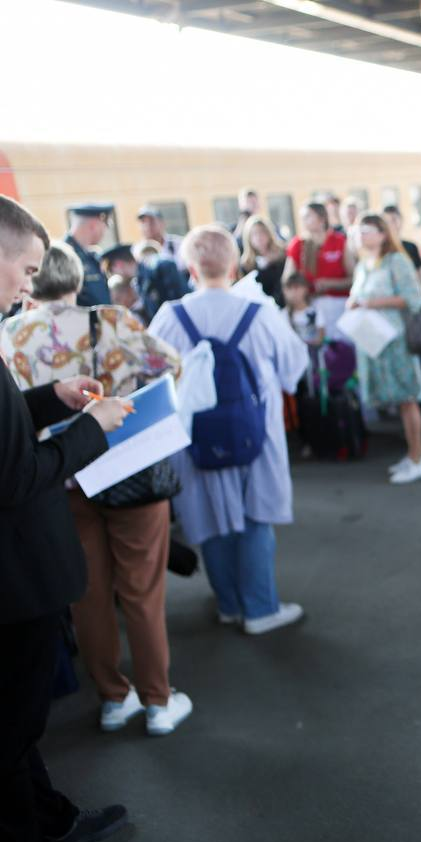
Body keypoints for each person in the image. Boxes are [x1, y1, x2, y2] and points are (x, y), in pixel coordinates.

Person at [0, 242, 192, 737]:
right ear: (76, 278)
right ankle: (157, 700)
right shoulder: (112, 320)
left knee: (87, 594)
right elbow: (172, 366)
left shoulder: (12, 335)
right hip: (129, 473)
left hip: (59, 477)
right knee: (141, 591)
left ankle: (112, 696)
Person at [0, 195, 133, 842]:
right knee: (13, 727)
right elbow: (16, 476)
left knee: (16, 727)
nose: (31, 284)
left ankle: (51, 818)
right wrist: (90, 429)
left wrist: (49, 397)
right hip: (14, 577)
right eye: (24, 269)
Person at [149, 225, 310, 633]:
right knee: (256, 516)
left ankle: (229, 603)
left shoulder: (169, 316)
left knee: (207, 518)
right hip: (256, 432)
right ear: (235, 264)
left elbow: (148, 377)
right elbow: (293, 369)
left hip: (194, 435)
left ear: (190, 268)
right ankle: (261, 609)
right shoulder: (259, 312)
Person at [348, 213, 421, 485]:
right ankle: (413, 454)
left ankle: (418, 456)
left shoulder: (397, 261)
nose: (363, 235)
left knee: (409, 398)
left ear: (383, 233)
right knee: (402, 401)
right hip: (375, 339)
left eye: (368, 230)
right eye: (360, 231)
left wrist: (371, 303)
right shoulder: (364, 264)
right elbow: (358, 294)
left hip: (396, 339)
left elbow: (413, 299)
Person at [283, 202, 353, 340]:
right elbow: (287, 279)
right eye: (302, 217)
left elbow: (353, 278)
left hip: (340, 305)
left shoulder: (340, 241)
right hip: (311, 306)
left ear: (322, 218)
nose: (304, 221)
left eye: (308, 216)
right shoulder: (298, 244)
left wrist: (331, 284)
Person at [100, 243, 188, 321]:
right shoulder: (139, 280)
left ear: (119, 264)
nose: (115, 275)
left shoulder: (158, 267)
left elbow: (179, 301)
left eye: (112, 271)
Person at [64, 202, 112, 307]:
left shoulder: (90, 256)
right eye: (104, 226)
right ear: (93, 226)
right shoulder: (63, 256)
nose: (104, 231)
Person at [239, 215, 288, 307]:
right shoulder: (246, 264)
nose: (259, 237)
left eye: (262, 233)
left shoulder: (282, 256)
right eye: (254, 234)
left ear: (269, 234)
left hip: (282, 305)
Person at [134, 207, 186, 278]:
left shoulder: (179, 244)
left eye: (152, 221)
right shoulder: (135, 251)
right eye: (143, 222)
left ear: (162, 223)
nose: (147, 226)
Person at [281, 272, 324, 346]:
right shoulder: (282, 314)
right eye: (289, 288)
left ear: (305, 289)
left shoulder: (315, 312)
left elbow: (321, 338)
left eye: (296, 288)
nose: (293, 292)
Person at [382, 205, 421, 275]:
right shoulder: (381, 250)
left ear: (401, 220)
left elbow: (418, 274)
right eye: (387, 221)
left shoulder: (411, 247)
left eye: (394, 220)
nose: (391, 224)